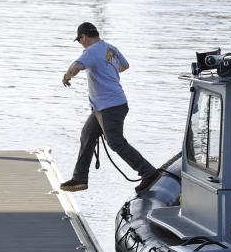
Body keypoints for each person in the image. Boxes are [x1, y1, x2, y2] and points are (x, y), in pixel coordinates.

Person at [60, 22, 158, 193]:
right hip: (103, 107)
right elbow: (125, 65)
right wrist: (108, 73)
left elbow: (76, 67)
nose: (81, 43)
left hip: (110, 107)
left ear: (83, 37)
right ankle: (80, 178)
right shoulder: (110, 49)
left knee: (116, 142)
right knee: (87, 135)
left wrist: (66, 76)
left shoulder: (91, 51)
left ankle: (148, 172)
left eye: (80, 40)